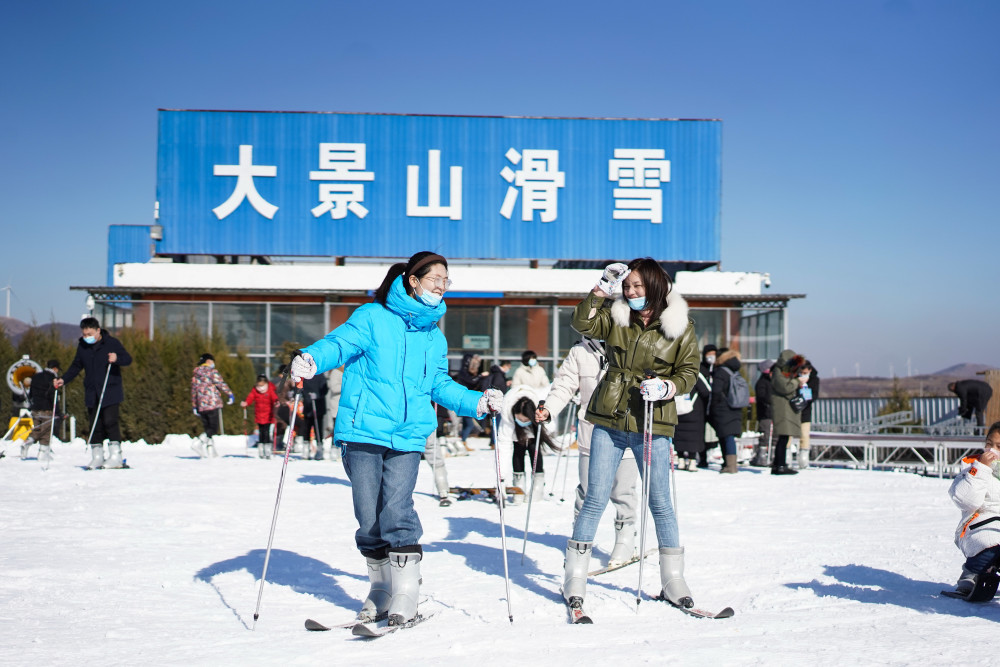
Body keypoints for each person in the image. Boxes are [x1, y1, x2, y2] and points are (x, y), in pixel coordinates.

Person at [288, 251, 503, 627]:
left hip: (407, 435)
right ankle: (381, 589)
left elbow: (438, 384)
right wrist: (311, 358)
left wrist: (478, 401)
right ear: (413, 280)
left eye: (445, 280)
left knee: (397, 512)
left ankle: (406, 592)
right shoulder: (372, 317)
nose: (441, 285)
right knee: (369, 517)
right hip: (363, 431)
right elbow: (338, 344)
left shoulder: (433, 337)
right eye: (434, 278)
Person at [562, 258, 700, 613]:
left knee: (660, 502)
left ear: (655, 286)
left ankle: (673, 578)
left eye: (637, 287)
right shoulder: (617, 316)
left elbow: (689, 372)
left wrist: (668, 386)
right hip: (609, 417)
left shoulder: (680, 326)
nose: (631, 292)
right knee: (595, 496)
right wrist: (600, 290)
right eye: (627, 286)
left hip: (653, 423)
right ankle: (575, 574)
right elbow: (581, 322)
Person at [540, 336, 640, 566]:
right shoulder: (580, 351)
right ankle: (581, 541)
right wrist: (549, 409)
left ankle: (626, 538)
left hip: (626, 430)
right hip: (591, 434)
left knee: (623, 491)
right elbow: (564, 384)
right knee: (587, 491)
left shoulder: (634, 342)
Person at [54, 317, 132, 469]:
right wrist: (63, 379)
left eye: (89, 334)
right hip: (92, 391)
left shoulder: (112, 343)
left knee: (110, 421)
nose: (86, 337)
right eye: (84, 334)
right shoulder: (83, 346)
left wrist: (117, 358)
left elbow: (127, 359)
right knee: (94, 424)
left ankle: (116, 456)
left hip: (110, 390)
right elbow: (76, 366)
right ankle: (97, 456)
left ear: (98, 331)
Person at [947, 421, 1000, 598]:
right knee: (993, 545)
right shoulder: (972, 467)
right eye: (989, 444)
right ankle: (971, 572)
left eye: (999, 446)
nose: (992, 450)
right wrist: (982, 469)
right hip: (978, 526)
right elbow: (965, 500)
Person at [504, 393, 557, 505]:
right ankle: (518, 486)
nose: (523, 422)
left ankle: (537, 485)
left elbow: (551, 426)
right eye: (520, 419)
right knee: (518, 452)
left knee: (535, 452)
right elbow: (502, 442)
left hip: (534, 431)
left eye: (525, 420)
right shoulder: (507, 412)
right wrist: (501, 476)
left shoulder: (537, 409)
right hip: (516, 434)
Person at [770, 349, 808, 475]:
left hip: (785, 407)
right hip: (782, 408)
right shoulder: (778, 372)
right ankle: (780, 465)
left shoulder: (783, 372)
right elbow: (785, 387)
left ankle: (778, 464)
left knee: (784, 437)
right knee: (783, 437)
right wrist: (797, 382)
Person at [190, 353, 234, 458]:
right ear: (209, 361)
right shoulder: (212, 372)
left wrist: (194, 405)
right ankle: (199, 443)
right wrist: (230, 394)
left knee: (207, 427)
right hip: (212, 403)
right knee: (213, 428)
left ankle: (210, 449)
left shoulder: (196, 374)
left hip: (201, 405)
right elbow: (221, 383)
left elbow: (193, 391)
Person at [709, 349, 746, 474]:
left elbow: (716, 391)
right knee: (729, 436)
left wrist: (713, 407)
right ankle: (729, 464)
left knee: (726, 436)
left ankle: (730, 466)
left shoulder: (721, 372)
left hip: (723, 408)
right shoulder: (735, 371)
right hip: (735, 407)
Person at [672, 362, 711, 472]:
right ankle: (692, 461)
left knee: (679, 434)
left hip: (677, 409)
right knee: (693, 436)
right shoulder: (695, 374)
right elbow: (706, 391)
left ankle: (680, 460)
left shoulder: (674, 373)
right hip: (694, 410)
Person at [23, 360, 61, 464]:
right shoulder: (53, 378)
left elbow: (31, 393)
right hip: (47, 409)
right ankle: (42, 454)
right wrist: (58, 412)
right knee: (46, 431)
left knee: (37, 429)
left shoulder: (36, 376)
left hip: (35, 408)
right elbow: (53, 396)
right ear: (55, 368)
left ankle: (28, 441)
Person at [241, 374, 278, 459]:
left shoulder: (270, 389)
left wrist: (276, 402)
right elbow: (250, 397)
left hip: (268, 415)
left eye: (262, 384)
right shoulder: (255, 390)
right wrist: (246, 403)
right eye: (259, 384)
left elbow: (274, 398)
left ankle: (267, 450)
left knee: (267, 432)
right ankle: (261, 450)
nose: (260, 387)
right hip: (259, 414)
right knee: (261, 432)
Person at [454, 352, 484, 450]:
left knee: (467, 424)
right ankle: (462, 441)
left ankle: (463, 442)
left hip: (466, 400)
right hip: (465, 401)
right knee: (470, 424)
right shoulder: (464, 373)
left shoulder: (465, 372)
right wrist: (481, 376)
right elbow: (472, 381)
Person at [696, 344, 717, 468]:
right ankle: (702, 457)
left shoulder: (718, 369)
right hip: (702, 406)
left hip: (715, 405)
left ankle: (713, 451)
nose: (711, 357)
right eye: (709, 354)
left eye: (714, 354)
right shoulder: (701, 369)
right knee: (701, 432)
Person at [751, 359, 775, 467]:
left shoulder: (773, 382)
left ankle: (773, 455)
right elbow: (761, 397)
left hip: (773, 413)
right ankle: (761, 456)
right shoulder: (762, 382)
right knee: (765, 435)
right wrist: (769, 402)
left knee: (775, 436)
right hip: (765, 413)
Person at [302, 373, 329, 459]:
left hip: (318, 406)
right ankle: (306, 449)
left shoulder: (320, 375)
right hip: (308, 405)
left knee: (318, 429)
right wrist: (302, 394)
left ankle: (319, 449)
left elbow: (324, 389)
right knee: (306, 428)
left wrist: (318, 395)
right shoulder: (305, 375)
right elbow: (300, 387)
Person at [798, 361, 819, 469]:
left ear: (810, 370)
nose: (803, 374)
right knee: (789, 435)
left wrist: (806, 391)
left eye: (805, 372)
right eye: (801, 372)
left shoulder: (814, 380)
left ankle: (803, 459)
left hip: (806, 411)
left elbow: (814, 395)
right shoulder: (795, 378)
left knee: (804, 435)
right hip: (794, 410)